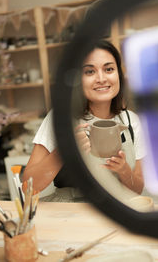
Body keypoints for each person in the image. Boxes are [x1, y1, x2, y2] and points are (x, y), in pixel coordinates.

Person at [23, 40, 146, 200]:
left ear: (119, 75)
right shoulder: (60, 118)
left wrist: (123, 170)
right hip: (70, 213)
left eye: (109, 69)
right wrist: (64, 151)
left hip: (116, 212)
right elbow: (28, 187)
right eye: (89, 72)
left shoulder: (132, 122)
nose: (101, 79)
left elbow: (137, 190)